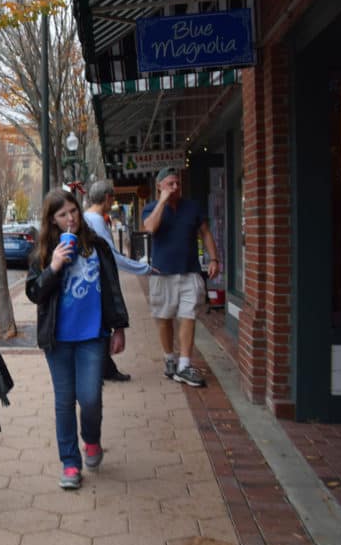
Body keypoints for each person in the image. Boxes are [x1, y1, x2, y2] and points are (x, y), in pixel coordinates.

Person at [26, 189, 129, 490]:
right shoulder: (43, 252)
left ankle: (92, 440)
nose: (70, 218)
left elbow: (112, 289)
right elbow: (35, 293)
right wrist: (54, 266)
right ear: (52, 220)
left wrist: (119, 328)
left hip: (93, 335)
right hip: (57, 338)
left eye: (73, 211)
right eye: (62, 214)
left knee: (90, 398)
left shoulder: (96, 246)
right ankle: (70, 463)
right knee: (64, 401)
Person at [141, 167, 220, 388]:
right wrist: (162, 202)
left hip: (190, 271)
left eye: (177, 184)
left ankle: (184, 365)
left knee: (188, 316)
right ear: (159, 186)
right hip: (161, 273)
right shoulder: (150, 209)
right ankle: (169, 359)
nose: (175, 187)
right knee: (164, 318)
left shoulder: (192, 207)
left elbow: (205, 232)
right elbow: (150, 228)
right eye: (170, 184)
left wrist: (214, 259)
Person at [84, 180, 155, 382]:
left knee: (100, 325)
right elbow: (112, 256)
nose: (113, 201)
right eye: (112, 198)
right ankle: (101, 369)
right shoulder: (96, 221)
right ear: (107, 198)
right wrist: (145, 268)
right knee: (102, 324)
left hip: (93, 280)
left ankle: (105, 368)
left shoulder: (89, 218)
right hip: (99, 280)